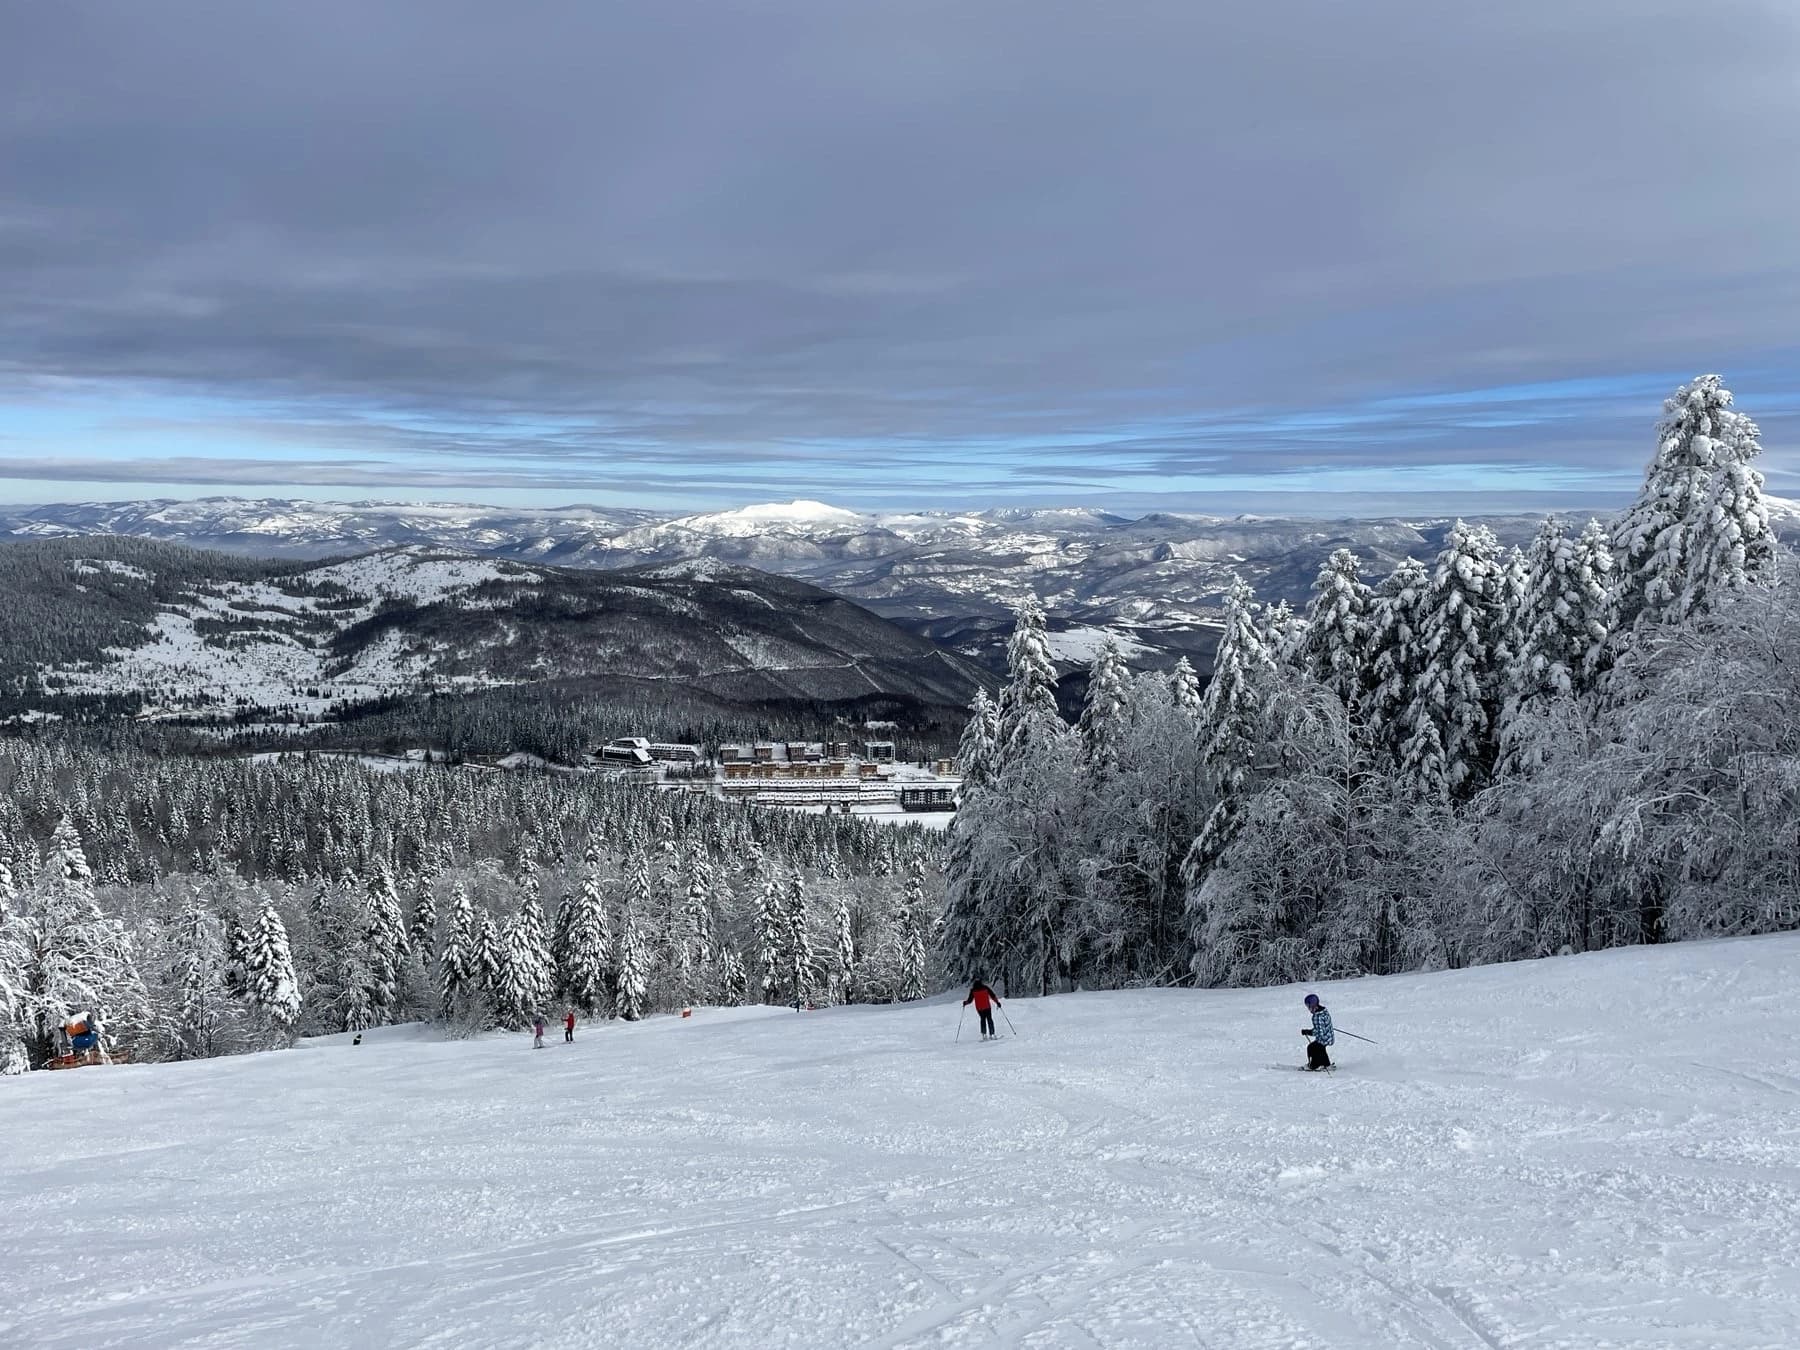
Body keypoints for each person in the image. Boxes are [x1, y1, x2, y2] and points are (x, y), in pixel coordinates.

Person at [1301, 994, 1334, 1070]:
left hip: (1324, 1038)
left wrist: (1308, 1032)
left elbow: (1319, 1032)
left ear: (1313, 1005)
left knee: (1314, 1048)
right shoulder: (1322, 1011)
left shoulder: (1318, 1016)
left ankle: (1314, 1065)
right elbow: (1322, 1026)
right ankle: (1326, 1064)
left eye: (1308, 1006)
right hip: (1328, 1037)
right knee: (1318, 1048)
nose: (1308, 1009)